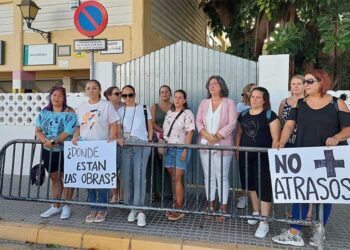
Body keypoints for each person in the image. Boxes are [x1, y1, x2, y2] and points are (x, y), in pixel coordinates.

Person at [272, 69, 350, 247]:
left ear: (321, 83)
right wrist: (281, 142)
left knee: (325, 194)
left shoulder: (337, 103)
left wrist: (337, 138)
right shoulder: (299, 103)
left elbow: (348, 128)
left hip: (329, 157)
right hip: (304, 155)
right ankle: (294, 232)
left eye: (308, 82)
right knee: (300, 192)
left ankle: (319, 231)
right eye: (304, 81)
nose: (304, 85)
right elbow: (289, 125)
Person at [72, 80, 120, 223]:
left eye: (94, 88)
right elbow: (78, 126)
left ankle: (103, 209)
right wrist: (75, 137)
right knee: (89, 179)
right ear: (85, 91)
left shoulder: (106, 106)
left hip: (102, 148)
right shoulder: (81, 107)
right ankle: (93, 208)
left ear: (99, 90)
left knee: (102, 180)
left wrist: (112, 136)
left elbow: (113, 124)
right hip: (86, 148)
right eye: (88, 88)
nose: (91, 90)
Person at [235, 87, 280, 238]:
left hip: (264, 157)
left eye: (257, 97)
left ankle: (264, 222)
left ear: (264, 100)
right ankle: (256, 212)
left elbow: (276, 139)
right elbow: (239, 133)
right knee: (250, 184)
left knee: (264, 187)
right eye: (252, 97)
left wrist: (273, 157)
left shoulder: (270, 115)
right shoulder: (243, 114)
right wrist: (237, 150)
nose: (254, 99)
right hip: (246, 155)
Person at [196, 75, 237, 218]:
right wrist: (207, 136)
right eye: (210, 84)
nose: (212, 86)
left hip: (222, 145)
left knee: (222, 176)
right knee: (208, 176)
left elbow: (232, 123)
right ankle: (210, 205)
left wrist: (217, 136)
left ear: (221, 86)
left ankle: (223, 207)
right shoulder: (203, 103)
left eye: (215, 83)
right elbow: (198, 122)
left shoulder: (229, 102)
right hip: (205, 144)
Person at [35, 86, 77, 219]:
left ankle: (66, 205)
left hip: (65, 150)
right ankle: (55, 205)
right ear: (50, 96)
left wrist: (52, 142)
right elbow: (38, 130)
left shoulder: (69, 112)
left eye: (60, 95)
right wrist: (45, 141)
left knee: (68, 178)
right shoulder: (44, 112)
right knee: (54, 177)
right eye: (54, 95)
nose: (56, 97)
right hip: (48, 151)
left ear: (64, 98)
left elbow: (68, 132)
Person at [117, 85, 153, 227]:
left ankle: (141, 210)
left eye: (130, 95)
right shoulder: (120, 110)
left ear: (135, 94)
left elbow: (150, 126)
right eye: (124, 96)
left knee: (140, 178)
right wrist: (119, 138)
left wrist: (149, 141)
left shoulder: (144, 108)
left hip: (142, 144)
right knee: (128, 177)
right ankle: (133, 207)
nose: (127, 98)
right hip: (126, 146)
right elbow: (118, 129)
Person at [162, 89, 195, 220]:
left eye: (180, 97)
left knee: (176, 178)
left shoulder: (187, 113)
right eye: (175, 97)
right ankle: (175, 203)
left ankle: (179, 208)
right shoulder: (169, 112)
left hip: (181, 148)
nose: (177, 99)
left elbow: (190, 132)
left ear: (185, 100)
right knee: (173, 178)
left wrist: (186, 149)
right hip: (169, 148)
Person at [149, 85, 173, 200]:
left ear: (170, 93)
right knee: (156, 166)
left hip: (172, 139)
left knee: (171, 165)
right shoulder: (154, 107)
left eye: (166, 92)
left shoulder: (174, 106)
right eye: (162, 92)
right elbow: (152, 123)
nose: (164, 93)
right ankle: (155, 192)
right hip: (158, 138)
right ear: (160, 94)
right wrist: (163, 131)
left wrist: (168, 133)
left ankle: (172, 191)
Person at [235, 83, 256, 209]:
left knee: (255, 172)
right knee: (244, 171)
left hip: (257, 143)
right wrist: (236, 148)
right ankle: (244, 196)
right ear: (247, 92)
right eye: (252, 90)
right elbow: (238, 127)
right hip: (243, 141)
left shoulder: (263, 105)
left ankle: (256, 199)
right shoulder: (241, 106)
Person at [104, 86, 124, 204]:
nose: (120, 95)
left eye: (120, 93)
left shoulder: (125, 106)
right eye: (117, 94)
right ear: (109, 96)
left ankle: (122, 195)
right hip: (109, 142)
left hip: (122, 142)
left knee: (123, 171)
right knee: (111, 171)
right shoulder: (105, 107)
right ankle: (114, 194)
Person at [278, 75, 304, 147]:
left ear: (304, 86)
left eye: (299, 84)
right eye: (293, 84)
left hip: (302, 141)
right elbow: (279, 122)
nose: (296, 86)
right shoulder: (284, 102)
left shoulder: (308, 102)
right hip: (286, 141)